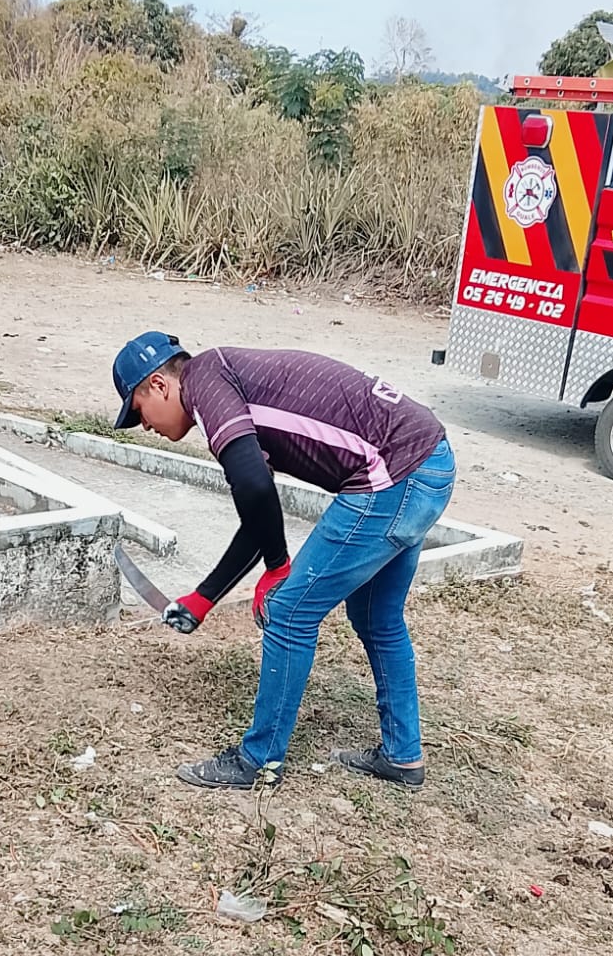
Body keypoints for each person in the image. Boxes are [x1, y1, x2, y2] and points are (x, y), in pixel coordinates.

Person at [111, 331, 455, 791]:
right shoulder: (227, 377)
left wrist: (277, 567)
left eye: (138, 411)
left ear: (159, 384)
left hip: (393, 475)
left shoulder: (206, 384)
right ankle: (403, 755)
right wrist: (205, 597)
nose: (145, 426)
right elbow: (258, 506)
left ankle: (258, 761)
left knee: (290, 612)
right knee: (378, 617)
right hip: (428, 461)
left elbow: (255, 488)